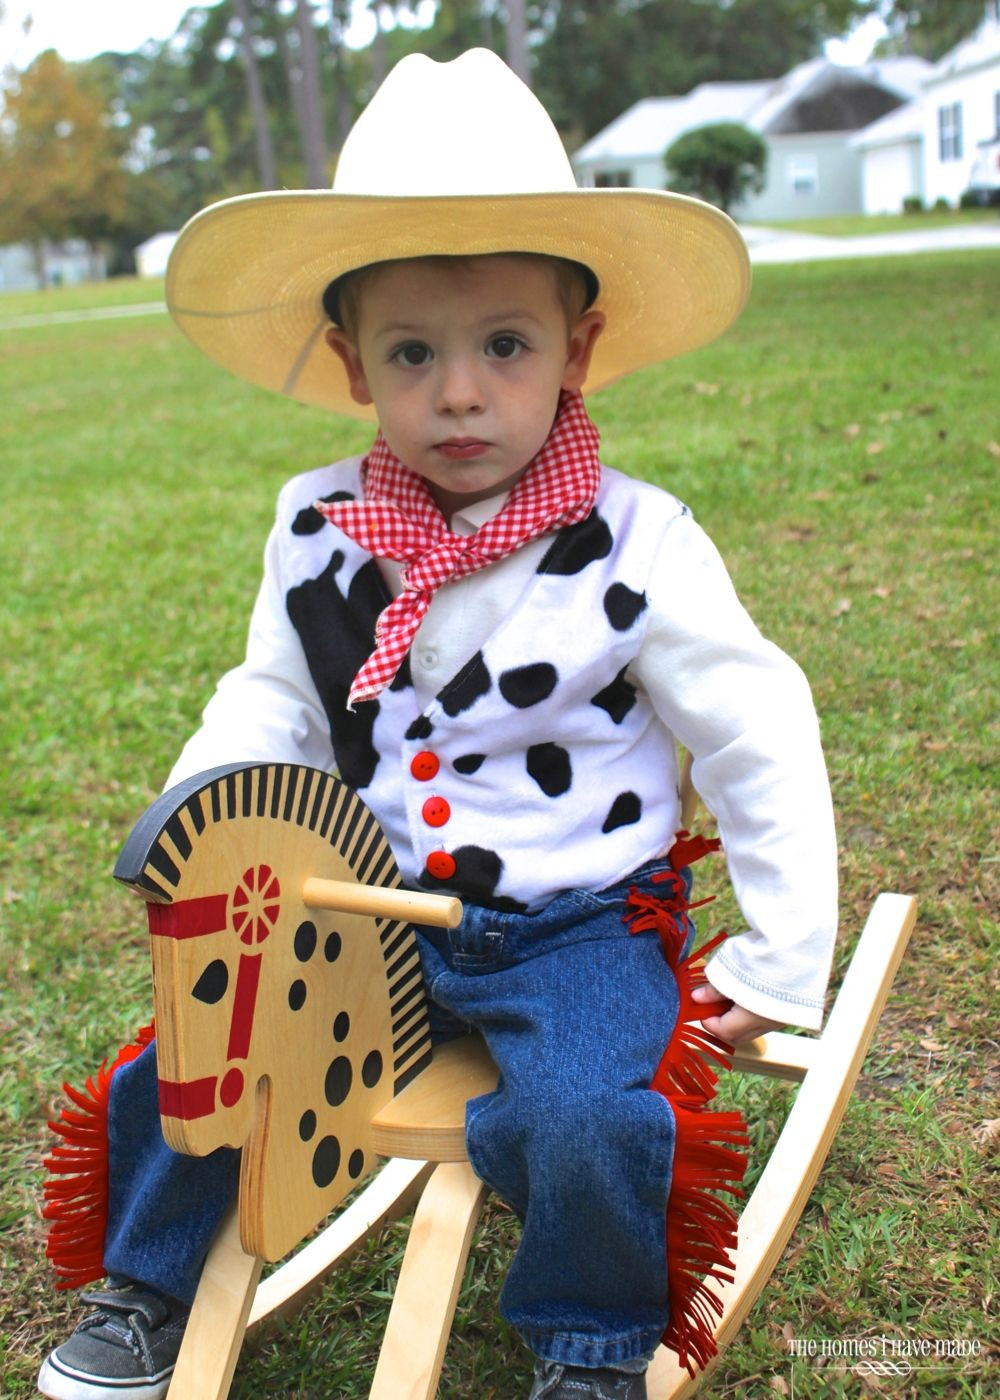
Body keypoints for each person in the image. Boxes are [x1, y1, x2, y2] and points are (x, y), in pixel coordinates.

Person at [38, 49, 837, 1400]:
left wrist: (777, 957)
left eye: (504, 346)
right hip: (361, 907)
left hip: (577, 917)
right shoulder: (317, 527)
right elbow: (277, 695)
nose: (459, 392)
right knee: (194, 1054)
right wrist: (210, 810)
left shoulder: (641, 545)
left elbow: (757, 724)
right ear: (355, 363)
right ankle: (145, 1287)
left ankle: (587, 1345)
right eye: (414, 351)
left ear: (576, 350)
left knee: (587, 1113)